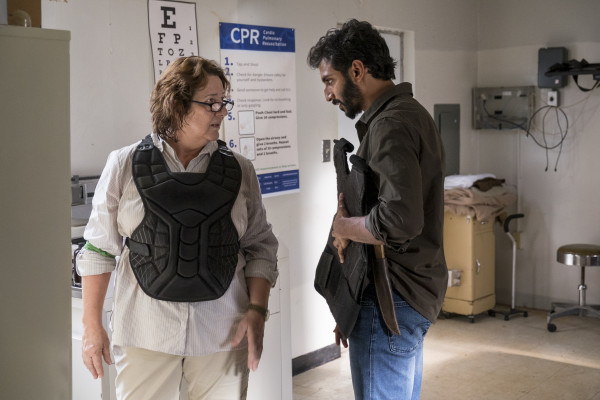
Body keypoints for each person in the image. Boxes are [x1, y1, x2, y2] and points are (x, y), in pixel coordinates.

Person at [76, 56, 278, 400]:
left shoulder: (240, 170)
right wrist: (91, 327)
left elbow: (261, 247)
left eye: (224, 102)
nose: (222, 112)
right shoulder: (124, 163)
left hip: (222, 330)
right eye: (211, 102)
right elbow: (98, 249)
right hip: (145, 332)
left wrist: (257, 311)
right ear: (177, 104)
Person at [308, 20, 448, 400]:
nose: (328, 94)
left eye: (329, 81)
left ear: (357, 70)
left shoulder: (391, 124)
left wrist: (344, 227)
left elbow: (399, 219)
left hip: (390, 298)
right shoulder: (409, 113)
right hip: (408, 294)